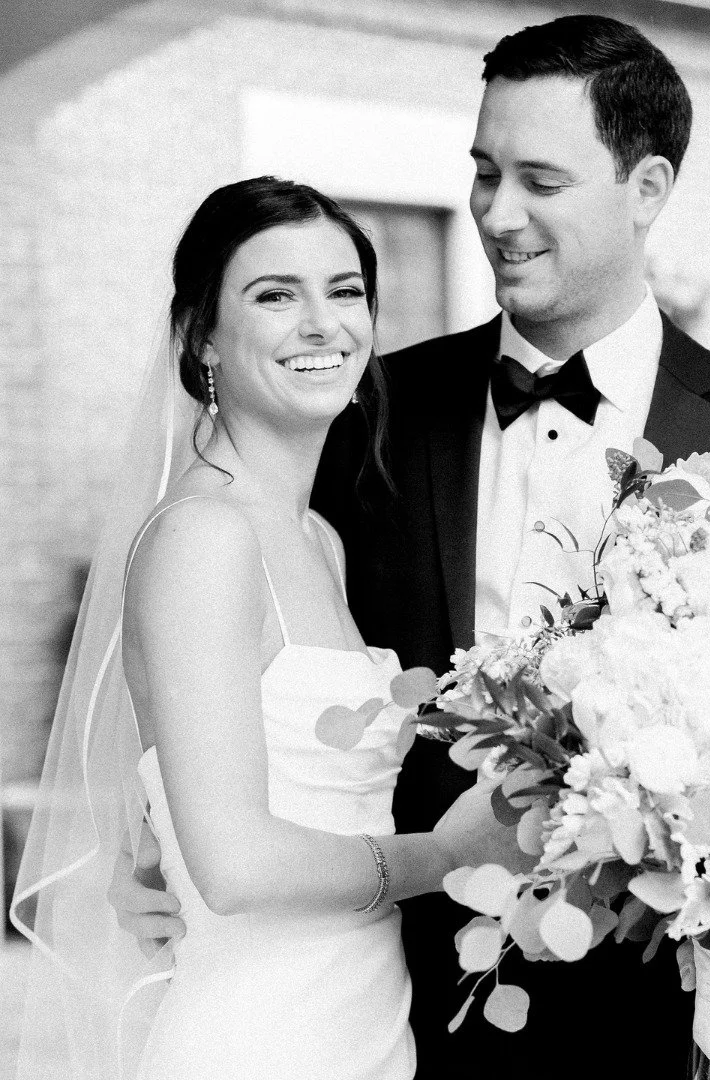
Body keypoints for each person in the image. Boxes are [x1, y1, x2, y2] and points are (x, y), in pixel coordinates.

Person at [114, 15, 710, 1080]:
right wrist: (145, 833)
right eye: (482, 173)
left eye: (540, 181)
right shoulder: (369, 415)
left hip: (682, 1023)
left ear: (646, 187)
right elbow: (207, 668)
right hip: (418, 1013)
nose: (497, 215)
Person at [11, 176, 529, 1080]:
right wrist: (444, 855)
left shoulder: (316, 536)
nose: (323, 323)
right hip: (261, 1038)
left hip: (361, 1021)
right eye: (275, 295)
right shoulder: (203, 537)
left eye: (345, 291)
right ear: (200, 335)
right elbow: (237, 864)